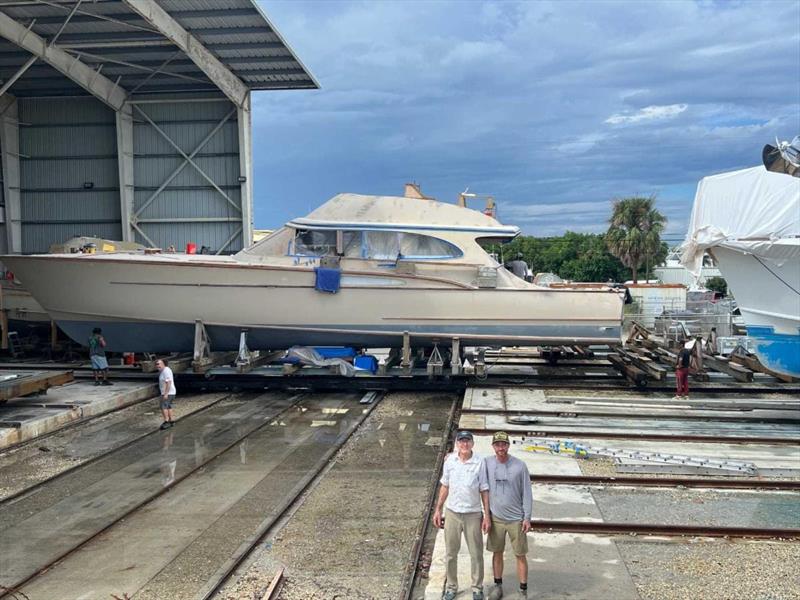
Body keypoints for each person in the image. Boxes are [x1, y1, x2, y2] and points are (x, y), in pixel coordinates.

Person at [433, 430, 491, 600]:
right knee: (451, 552)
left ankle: (477, 587)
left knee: (476, 553)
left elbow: (484, 490)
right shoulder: (450, 461)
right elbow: (445, 485)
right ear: (457, 443)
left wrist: (486, 515)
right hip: (452, 512)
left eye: (468, 441)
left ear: (472, 443)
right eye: (461, 441)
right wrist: (438, 508)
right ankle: (451, 586)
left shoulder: (480, 462)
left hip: (473, 514)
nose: (464, 444)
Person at [484, 431, 532, 600]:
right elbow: (469, 461)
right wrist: (451, 456)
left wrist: (527, 517)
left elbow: (527, 492)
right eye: (497, 445)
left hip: (516, 519)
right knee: (497, 552)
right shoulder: (487, 463)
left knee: (520, 554)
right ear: (493, 446)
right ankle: (498, 585)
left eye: (503, 444)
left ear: (508, 446)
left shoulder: (520, 466)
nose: (501, 448)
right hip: (496, 517)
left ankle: (523, 590)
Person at [156, 358, 176, 430]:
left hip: (168, 393)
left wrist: (166, 394)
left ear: (163, 364)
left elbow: (169, 382)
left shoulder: (166, 371)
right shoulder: (164, 371)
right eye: (156, 364)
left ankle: (166, 421)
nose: (157, 366)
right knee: (168, 406)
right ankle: (171, 420)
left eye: (159, 364)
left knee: (163, 406)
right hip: (170, 392)